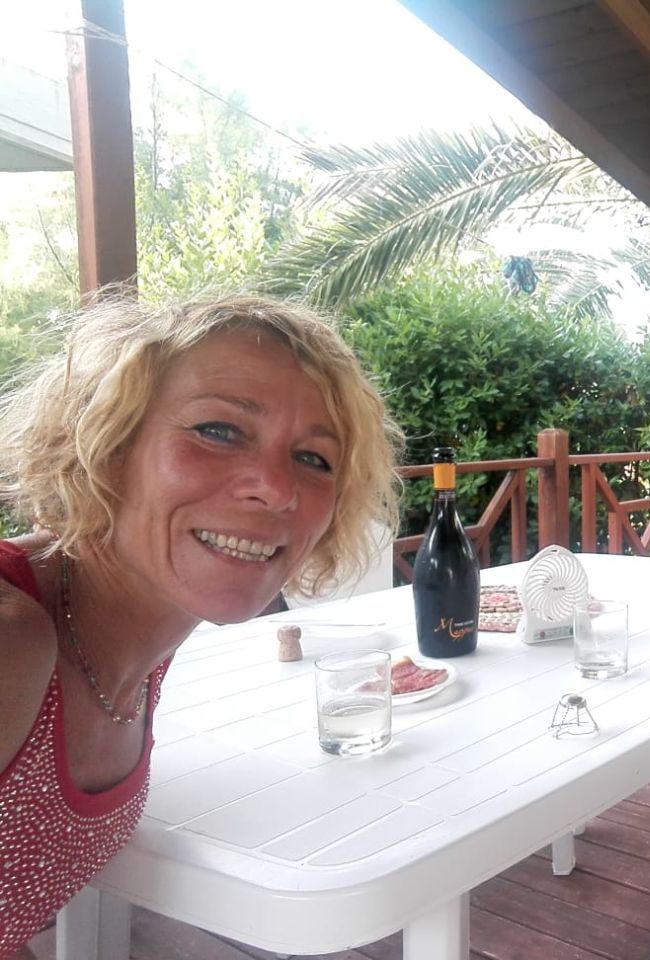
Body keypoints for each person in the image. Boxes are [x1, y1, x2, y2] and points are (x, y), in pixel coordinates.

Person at [0, 294, 401, 957]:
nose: (277, 488)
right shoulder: (14, 636)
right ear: (105, 442)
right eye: (218, 430)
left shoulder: (140, 636)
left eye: (314, 459)